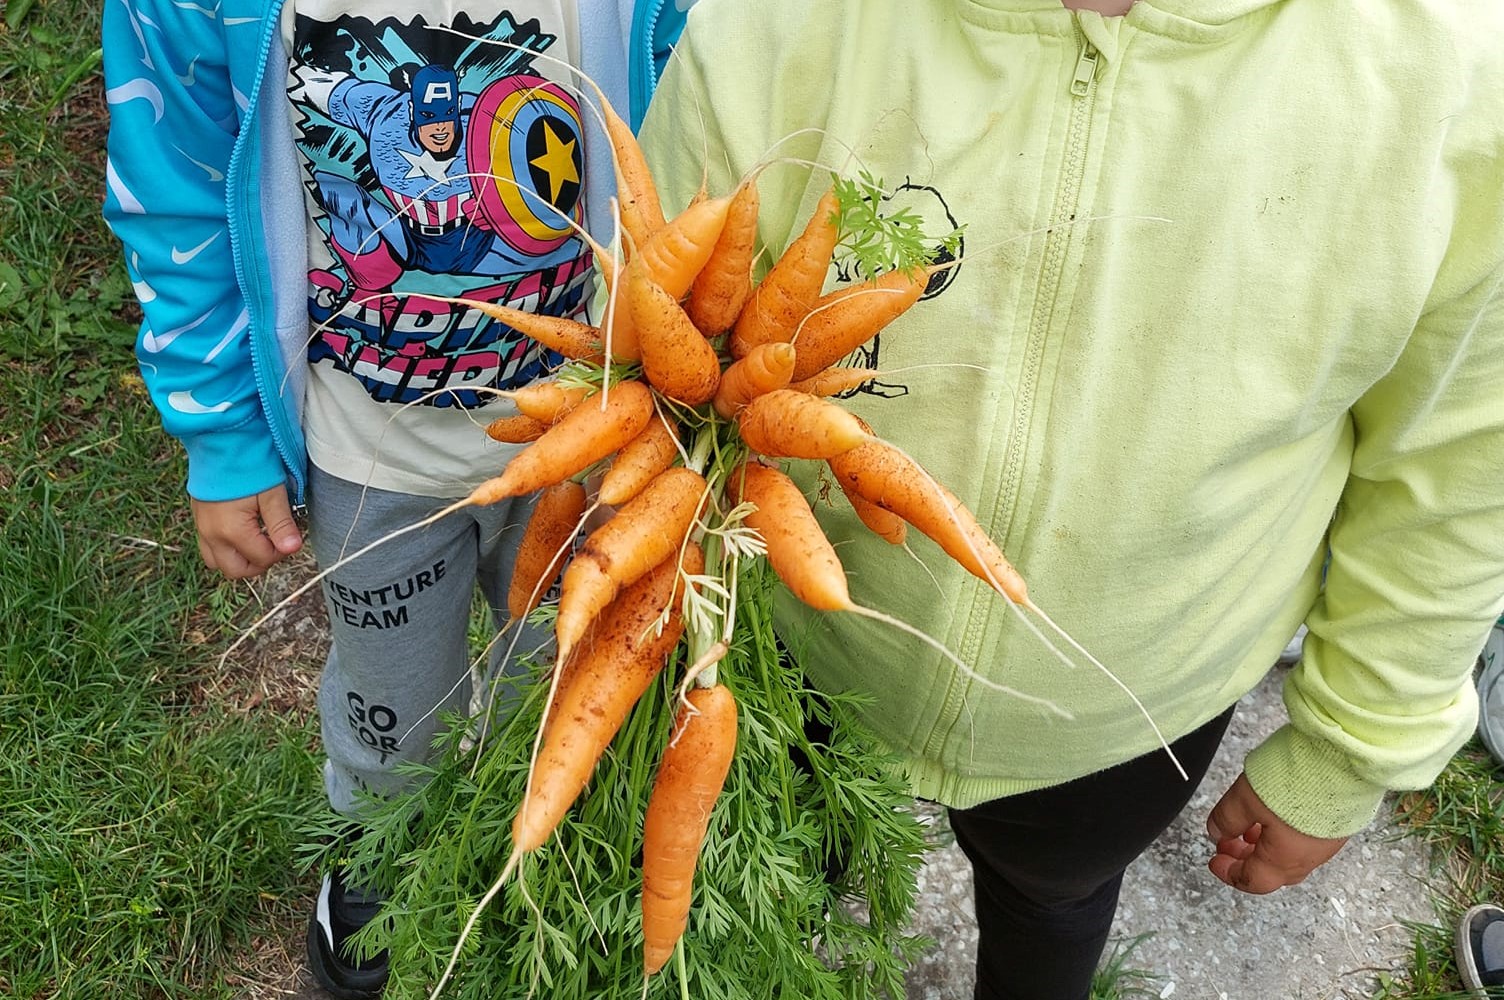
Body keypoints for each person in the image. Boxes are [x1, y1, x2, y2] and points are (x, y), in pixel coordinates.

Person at [638, 1, 1504, 997]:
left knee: (1052, 892)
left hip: (1124, 705)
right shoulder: (784, 23)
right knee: (788, 844)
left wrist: (1348, 750)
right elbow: (656, 334)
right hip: (805, 643)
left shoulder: (1450, 79)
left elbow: (1454, 477)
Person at [100, 1, 688, 995]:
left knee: (554, 680)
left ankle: (537, 847)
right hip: (367, 453)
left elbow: (720, 110)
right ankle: (378, 853)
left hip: (591, 443)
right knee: (390, 705)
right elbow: (176, 184)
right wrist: (224, 432)